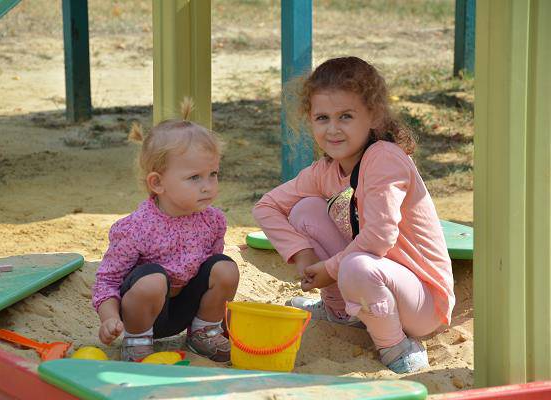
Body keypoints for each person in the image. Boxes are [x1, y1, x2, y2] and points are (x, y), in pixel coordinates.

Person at [252, 57, 454, 374]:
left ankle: (395, 346)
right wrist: (303, 256)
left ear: (374, 115)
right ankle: (339, 310)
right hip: (374, 282)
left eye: (345, 116)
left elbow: (378, 239)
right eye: (322, 118)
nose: (333, 129)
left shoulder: (385, 159)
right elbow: (266, 207)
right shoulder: (326, 170)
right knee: (306, 210)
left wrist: (329, 269)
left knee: (356, 265)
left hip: (423, 304)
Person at [92, 99, 239, 362]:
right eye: (194, 177)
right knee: (152, 279)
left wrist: (221, 313)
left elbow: (209, 274)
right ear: (158, 183)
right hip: (144, 315)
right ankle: (137, 342)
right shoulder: (136, 228)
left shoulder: (213, 220)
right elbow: (107, 282)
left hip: (184, 311)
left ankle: (204, 332)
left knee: (225, 268)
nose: (208, 186)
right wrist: (109, 319)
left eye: (213, 174)